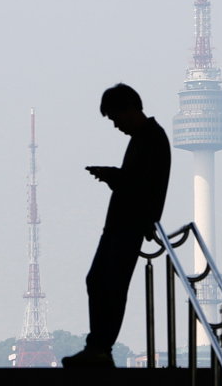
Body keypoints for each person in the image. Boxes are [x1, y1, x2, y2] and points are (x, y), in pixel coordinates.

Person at [61, 83, 172, 368]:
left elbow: (144, 185)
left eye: (115, 117)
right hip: (121, 224)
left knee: (110, 285)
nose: (115, 125)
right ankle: (98, 347)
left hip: (129, 224)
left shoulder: (151, 138)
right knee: (100, 282)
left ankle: (100, 348)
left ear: (129, 110)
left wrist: (114, 177)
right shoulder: (144, 138)